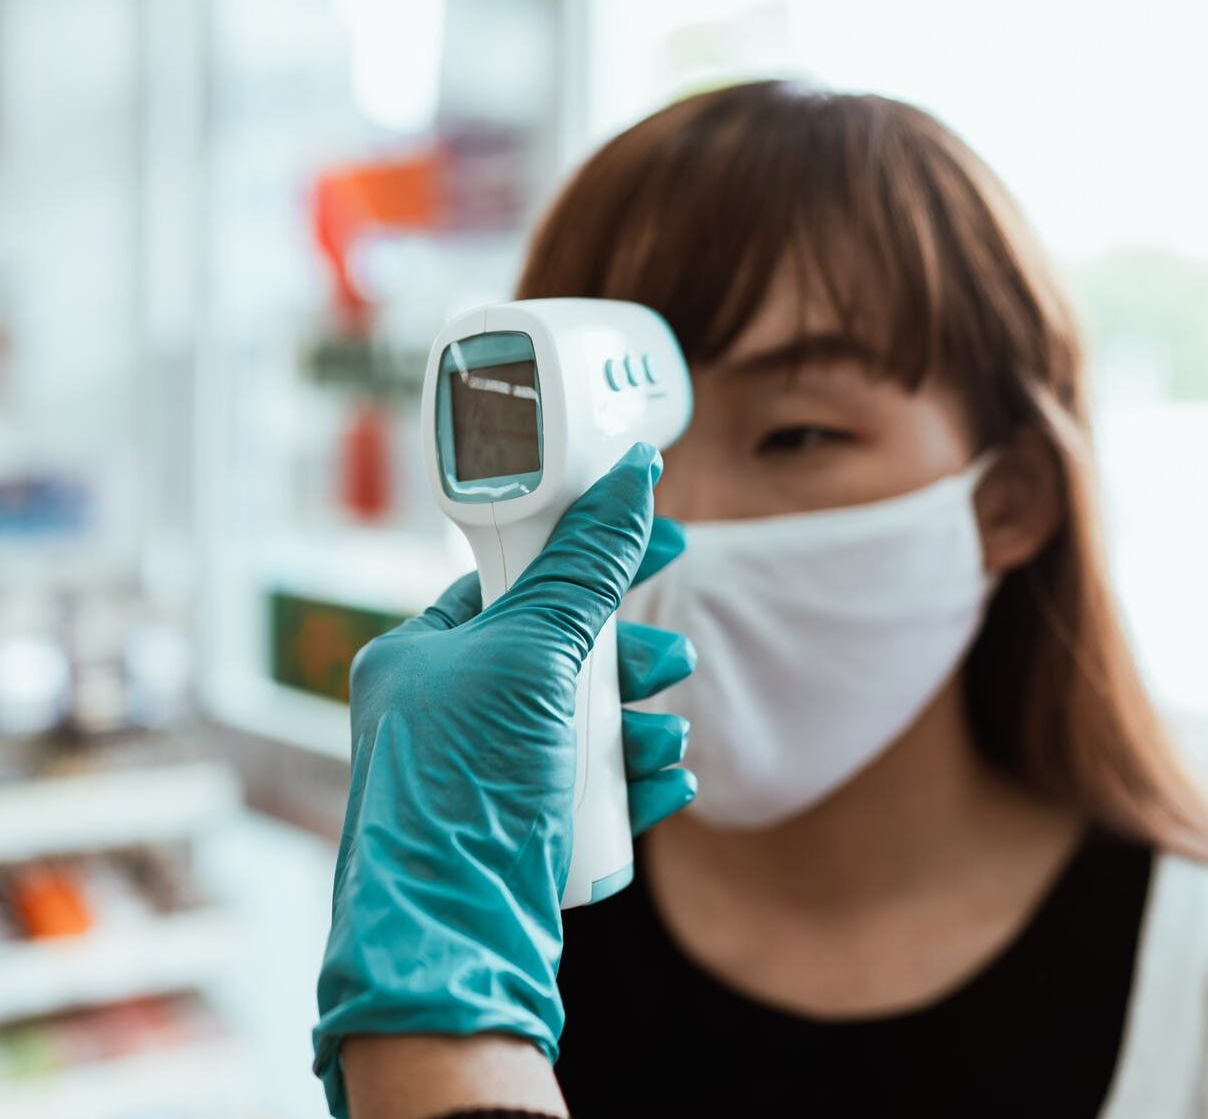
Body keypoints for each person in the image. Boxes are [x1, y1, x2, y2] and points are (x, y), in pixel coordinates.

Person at [313, 82, 1208, 1119]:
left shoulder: (1181, 973)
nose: (669, 513)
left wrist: (429, 1015)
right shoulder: (523, 921)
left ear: (1009, 501)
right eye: (615, 448)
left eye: (796, 435)